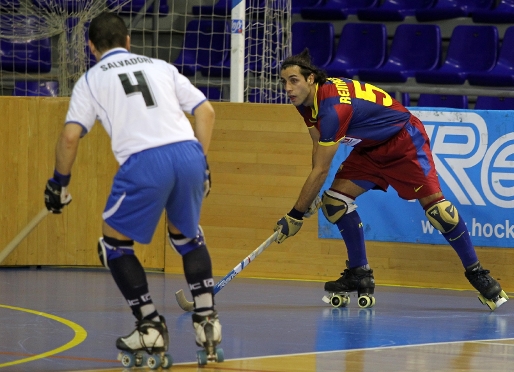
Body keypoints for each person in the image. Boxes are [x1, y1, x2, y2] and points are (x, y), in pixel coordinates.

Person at [43, 12, 222, 365]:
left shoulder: (92, 80)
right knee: (186, 237)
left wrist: (58, 185)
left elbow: (70, 136)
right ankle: (207, 322)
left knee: (114, 246)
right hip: (188, 151)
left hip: (145, 161)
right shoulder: (161, 66)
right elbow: (206, 112)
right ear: (128, 41)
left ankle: (149, 325)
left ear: (92, 48)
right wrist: (199, 161)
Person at [273, 48, 508, 311]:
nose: (288, 88)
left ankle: (477, 273)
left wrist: (295, 214)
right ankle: (359, 272)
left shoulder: (333, 108)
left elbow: (320, 170)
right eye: (284, 81)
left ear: (311, 79)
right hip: (370, 149)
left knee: (440, 211)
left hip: (403, 141)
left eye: (293, 80)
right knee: (334, 203)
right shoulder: (306, 102)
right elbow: (317, 150)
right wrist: (311, 197)